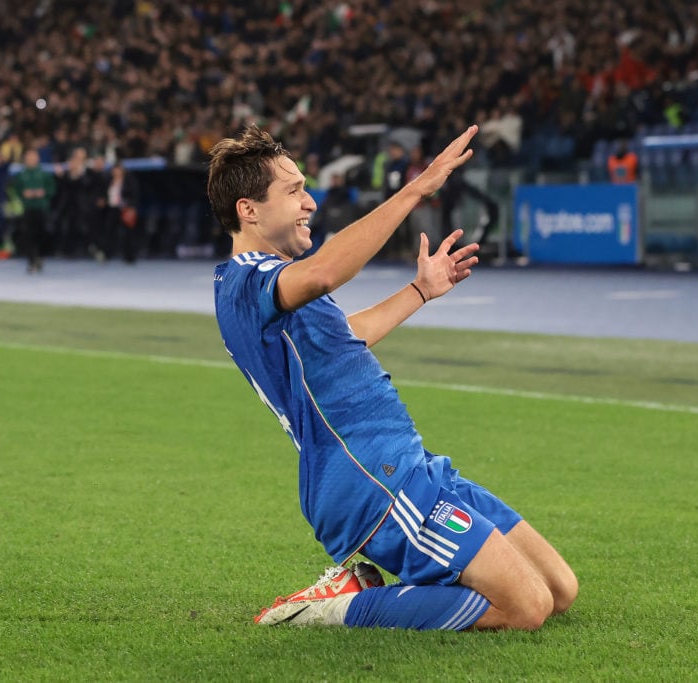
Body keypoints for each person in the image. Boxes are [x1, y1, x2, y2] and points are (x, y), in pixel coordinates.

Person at [207, 124, 577, 632]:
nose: (309, 203)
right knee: (525, 607)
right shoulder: (247, 280)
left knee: (559, 590)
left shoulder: (272, 283)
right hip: (372, 479)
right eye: (293, 191)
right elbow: (324, 273)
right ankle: (339, 607)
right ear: (248, 209)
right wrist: (416, 189)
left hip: (411, 465)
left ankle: (398, 588)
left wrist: (420, 291)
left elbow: (345, 335)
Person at [10, 149, 56, 273]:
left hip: (42, 208)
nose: (31, 160)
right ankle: (31, 260)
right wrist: (24, 194)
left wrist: (44, 192)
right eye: (29, 157)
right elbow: (17, 190)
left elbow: (52, 189)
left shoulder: (44, 173)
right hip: (28, 209)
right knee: (29, 235)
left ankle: (41, 256)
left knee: (44, 233)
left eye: (33, 157)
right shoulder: (21, 175)